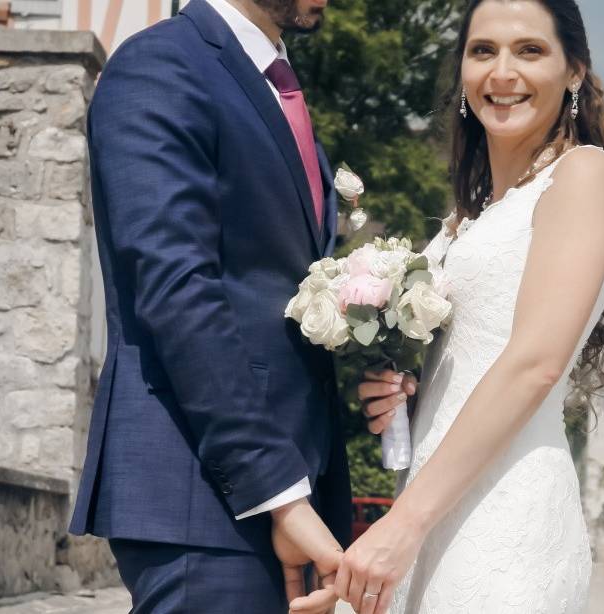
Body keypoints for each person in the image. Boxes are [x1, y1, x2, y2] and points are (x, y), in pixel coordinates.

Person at [338, 1, 604, 612]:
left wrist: (401, 526)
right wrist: (410, 392)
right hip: (435, 505)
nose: (502, 72)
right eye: (484, 51)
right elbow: (478, 358)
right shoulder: (469, 217)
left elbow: (534, 362)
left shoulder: (581, 176)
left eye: (529, 50)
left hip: (505, 518)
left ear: (574, 70)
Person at [68, 1, 359, 612]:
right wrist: (278, 490)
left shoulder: (272, 83)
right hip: (204, 496)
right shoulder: (162, 64)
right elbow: (176, 287)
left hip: (286, 494)